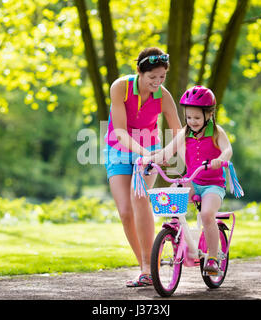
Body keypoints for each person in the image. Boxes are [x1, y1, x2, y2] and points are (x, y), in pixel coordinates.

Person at [104, 47, 182, 287]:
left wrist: (166, 152)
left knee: (139, 199)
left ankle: (148, 269)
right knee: (126, 212)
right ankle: (146, 267)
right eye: (152, 78)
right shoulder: (120, 87)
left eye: (162, 77)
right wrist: (148, 154)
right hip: (119, 149)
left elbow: (180, 131)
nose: (157, 83)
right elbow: (120, 131)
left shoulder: (164, 96)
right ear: (139, 72)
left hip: (150, 149)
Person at [142, 85, 233, 275]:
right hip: (193, 181)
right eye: (189, 117)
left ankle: (214, 258)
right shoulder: (185, 132)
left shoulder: (217, 132)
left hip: (213, 185)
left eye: (197, 118)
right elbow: (168, 151)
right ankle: (177, 234)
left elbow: (228, 150)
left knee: (208, 214)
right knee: (174, 194)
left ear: (209, 115)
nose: (192, 121)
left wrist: (220, 160)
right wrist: (151, 161)